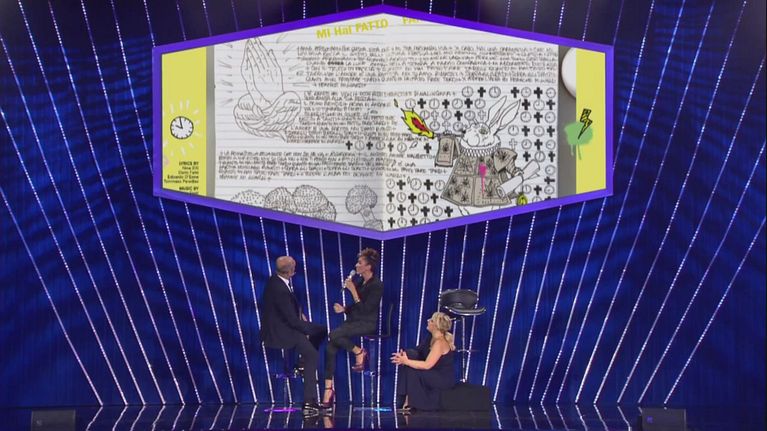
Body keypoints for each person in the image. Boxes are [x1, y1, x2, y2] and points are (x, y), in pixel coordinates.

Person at [260, 256, 328, 416]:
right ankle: (309, 402)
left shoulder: (274, 281)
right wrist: (306, 328)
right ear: (291, 271)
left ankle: (302, 363)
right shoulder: (280, 289)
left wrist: (300, 317)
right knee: (313, 352)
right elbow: (291, 320)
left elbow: (287, 310)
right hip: (282, 331)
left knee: (318, 333)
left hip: (284, 326)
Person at [321, 248, 383, 407]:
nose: (356, 265)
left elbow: (366, 310)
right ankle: (328, 389)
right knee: (330, 346)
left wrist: (353, 291)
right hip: (354, 321)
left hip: (367, 323)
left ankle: (359, 351)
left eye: (360, 263)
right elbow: (356, 308)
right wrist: (344, 309)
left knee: (333, 334)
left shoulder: (377, 285)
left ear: (368, 266)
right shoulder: (361, 282)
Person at [391, 311, 457, 412]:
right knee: (410, 358)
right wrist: (404, 355)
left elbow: (427, 365)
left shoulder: (440, 342)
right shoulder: (430, 338)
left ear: (436, 325)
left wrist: (406, 361)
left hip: (442, 377)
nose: (428, 321)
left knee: (412, 370)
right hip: (433, 372)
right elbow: (418, 351)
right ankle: (405, 400)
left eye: (431, 320)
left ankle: (408, 403)